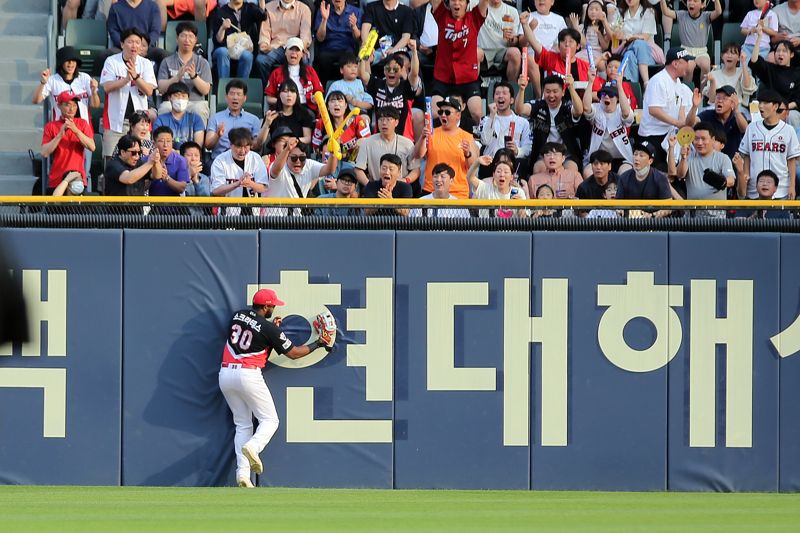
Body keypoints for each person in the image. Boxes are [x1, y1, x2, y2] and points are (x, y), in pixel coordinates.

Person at [219, 288, 332, 488]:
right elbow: (294, 353)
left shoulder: (238, 315)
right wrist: (319, 343)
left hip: (226, 374)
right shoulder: (270, 329)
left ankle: (242, 475)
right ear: (265, 306)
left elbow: (254, 337)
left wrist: (271, 330)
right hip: (248, 375)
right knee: (270, 420)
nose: (274, 307)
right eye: (272, 305)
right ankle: (253, 446)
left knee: (243, 424)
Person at [412, 0, 489, 126]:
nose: (457, 3)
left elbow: (485, 2)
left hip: (468, 77)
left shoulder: (474, 18)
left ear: (467, 3)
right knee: (434, 112)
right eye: (453, 0)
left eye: (461, 0)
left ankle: (477, 140)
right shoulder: (443, 15)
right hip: (443, 78)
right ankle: (438, 139)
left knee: (477, 113)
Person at [99, 28, 157, 160]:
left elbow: (149, 90)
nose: (134, 46)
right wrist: (125, 80)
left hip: (140, 124)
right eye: (130, 42)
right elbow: (107, 87)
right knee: (111, 160)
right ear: (122, 44)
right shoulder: (112, 61)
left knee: (142, 159)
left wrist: (136, 77)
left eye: (138, 42)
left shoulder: (145, 63)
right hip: (115, 122)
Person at [637, 47, 694, 172]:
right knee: (655, 173)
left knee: (669, 172)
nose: (688, 66)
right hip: (652, 135)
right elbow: (654, 110)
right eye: (686, 62)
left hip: (669, 134)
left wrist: (682, 125)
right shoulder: (658, 80)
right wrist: (677, 123)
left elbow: (681, 108)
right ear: (675, 63)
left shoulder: (678, 82)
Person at [737, 89, 800, 200]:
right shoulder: (751, 127)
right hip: (754, 188)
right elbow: (746, 154)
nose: (761, 106)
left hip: (781, 189)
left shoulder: (788, 130)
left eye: (765, 103)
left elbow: (791, 160)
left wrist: (792, 186)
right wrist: (746, 173)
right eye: (760, 102)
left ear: (775, 106)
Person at [515, 73, 584, 174]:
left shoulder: (567, 106)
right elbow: (519, 109)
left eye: (555, 91)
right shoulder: (538, 106)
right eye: (547, 91)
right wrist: (521, 89)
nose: (551, 95)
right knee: (539, 168)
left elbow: (579, 110)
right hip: (543, 154)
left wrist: (571, 88)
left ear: (563, 92)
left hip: (566, 154)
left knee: (571, 170)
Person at [416, 96, 479, 199]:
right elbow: (419, 155)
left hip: (458, 193)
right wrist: (423, 138)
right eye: (441, 112)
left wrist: (468, 153)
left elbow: (473, 167)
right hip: (431, 191)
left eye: (447, 112)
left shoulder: (466, 136)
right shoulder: (431, 133)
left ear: (458, 115)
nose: (443, 115)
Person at [673, 122, 735, 218]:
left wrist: (722, 182)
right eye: (696, 139)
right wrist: (683, 157)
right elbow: (680, 175)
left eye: (703, 139)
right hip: (693, 212)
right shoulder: (689, 156)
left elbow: (731, 180)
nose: (699, 143)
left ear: (713, 140)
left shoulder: (722, 158)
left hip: (715, 213)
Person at [40, 92, 96, 194]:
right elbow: (44, 152)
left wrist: (76, 131)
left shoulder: (82, 123)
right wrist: (60, 135)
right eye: (67, 105)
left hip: (77, 179)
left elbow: (92, 147)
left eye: (74, 105)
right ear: (59, 106)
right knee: (55, 208)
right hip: (56, 179)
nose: (71, 109)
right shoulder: (51, 126)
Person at [266, 137, 338, 215]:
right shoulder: (280, 166)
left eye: (302, 158)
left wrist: (333, 153)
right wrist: (287, 149)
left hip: (297, 221)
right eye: (294, 158)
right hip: (274, 219)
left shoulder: (309, 165)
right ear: (286, 157)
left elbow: (330, 169)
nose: (298, 161)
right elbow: (275, 170)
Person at [156, 22, 213, 122]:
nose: (187, 40)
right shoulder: (167, 61)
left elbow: (205, 90)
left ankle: (198, 138)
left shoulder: (202, 62)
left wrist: (194, 76)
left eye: (191, 36)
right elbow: (161, 88)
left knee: (199, 110)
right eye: (183, 36)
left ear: (195, 40)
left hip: (195, 102)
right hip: (172, 102)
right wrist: (177, 77)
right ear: (177, 39)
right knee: (165, 109)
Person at [582, 69, 634, 178]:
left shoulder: (621, 108)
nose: (606, 97)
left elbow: (626, 113)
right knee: (588, 173)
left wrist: (619, 86)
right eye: (603, 94)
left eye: (610, 95)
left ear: (617, 98)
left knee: (626, 174)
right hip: (599, 158)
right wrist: (590, 82)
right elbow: (586, 107)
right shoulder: (597, 108)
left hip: (621, 158)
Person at [360, 50, 421, 140]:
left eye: (395, 70)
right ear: (384, 70)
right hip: (380, 137)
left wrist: (414, 51)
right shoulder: (377, 84)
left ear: (401, 70)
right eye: (388, 69)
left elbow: (414, 73)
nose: (391, 72)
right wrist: (362, 58)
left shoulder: (406, 86)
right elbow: (362, 75)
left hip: (403, 138)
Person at [355, 106, 419, 188]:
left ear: (396, 122)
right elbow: (358, 169)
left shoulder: (407, 143)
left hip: (399, 187)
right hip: (376, 187)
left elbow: (415, 169)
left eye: (388, 119)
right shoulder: (368, 142)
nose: (384, 123)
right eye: (381, 120)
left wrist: (405, 181)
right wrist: (369, 186)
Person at [659, 0, 722, 84]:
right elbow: (666, 11)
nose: (691, 3)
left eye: (695, 1)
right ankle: (687, 92)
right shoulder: (681, 15)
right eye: (689, 0)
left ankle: (703, 94)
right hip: (686, 51)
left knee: (706, 65)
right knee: (688, 67)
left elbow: (718, 12)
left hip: (702, 51)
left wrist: (716, 1)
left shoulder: (706, 16)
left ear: (702, 4)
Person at [33, 46, 101, 123]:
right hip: (60, 127)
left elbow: (95, 105)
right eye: (67, 60)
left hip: (83, 127)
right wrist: (43, 82)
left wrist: (94, 91)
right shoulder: (53, 80)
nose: (71, 64)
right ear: (61, 63)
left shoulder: (84, 77)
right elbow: (36, 100)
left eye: (73, 61)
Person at [211, 127, 269, 216]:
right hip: (227, 215)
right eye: (238, 146)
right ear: (231, 144)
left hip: (253, 214)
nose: (242, 151)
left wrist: (250, 184)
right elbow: (216, 190)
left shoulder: (255, 158)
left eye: (246, 146)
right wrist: (238, 183)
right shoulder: (220, 161)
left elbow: (263, 188)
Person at [750, 27, 800, 129]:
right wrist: (759, 37)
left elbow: (798, 100)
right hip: (770, 109)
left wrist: (783, 109)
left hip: (789, 110)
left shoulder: (797, 73)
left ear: (792, 54)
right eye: (777, 51)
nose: (780, 53)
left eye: (784, 51)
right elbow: (755, 61)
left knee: (793, 116)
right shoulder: (770, 69)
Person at [255, 0, 313, 85]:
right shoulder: (269, 7)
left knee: (304, 60)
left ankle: (301, 90)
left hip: (294, 46)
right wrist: (265, 44)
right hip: (275, 47)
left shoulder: (304, 9)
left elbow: (305, 34)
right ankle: (268, 89)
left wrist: (301, 48)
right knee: (261, 60)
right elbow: (265, 32)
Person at [264, 38, 325, 116]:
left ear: (302, 54)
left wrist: (315, 98)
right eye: (291, 49)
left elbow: (319, 92)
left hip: (306, 108)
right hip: (283, 108)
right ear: (285, 52)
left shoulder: (310, 71)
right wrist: (283, 100)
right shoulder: (276, 73)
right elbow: (269, 98)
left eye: (297, 50)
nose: (294, 53)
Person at [686, 85, 748, 161]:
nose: (720, 101)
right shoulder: (708, 115)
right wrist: (694, 107)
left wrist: (737, 110)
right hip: (710, 162)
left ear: (732, 103)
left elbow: (745, 130)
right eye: (718, 98)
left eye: (724, 98)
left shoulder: (738, 117)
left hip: (733, 162)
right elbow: (689, 123)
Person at [206, 79, 263, 159]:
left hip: (244, 160)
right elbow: (208, 145)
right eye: (232, 94)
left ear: (244, 98)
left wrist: (266, 125)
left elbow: (257, 147)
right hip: (220, 160)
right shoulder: (215, 118)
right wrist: (217, 135)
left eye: (239, 94)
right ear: (226, 97)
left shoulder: (254, 120)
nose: (235, 97)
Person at [210, 0, 265, 79]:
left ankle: (241, 87)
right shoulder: (220, 12)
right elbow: (218, 41)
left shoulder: (250, 8)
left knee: (247, 55)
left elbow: (263, 16)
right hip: (225, 49)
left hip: (244, 49)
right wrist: (223, 28)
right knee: (222, 52)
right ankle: (224, 86)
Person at [616, 139, 672, 217]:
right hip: (629, 222)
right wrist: (626, 212)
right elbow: (618, 204)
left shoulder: (660, 178)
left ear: (650, 161)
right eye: (635, 154)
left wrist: (652, 215)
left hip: (655, 223)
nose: (637, 158)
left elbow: (668, 207)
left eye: (641, 155)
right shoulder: (624, 177)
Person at [478, 81, 532, 163]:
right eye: (497, 93)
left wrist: (517, 150)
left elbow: (528, 148)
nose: (500, 96)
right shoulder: (486, 120)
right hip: (490, 162)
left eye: (504, 93)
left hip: (512, 161)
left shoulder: (523, 122)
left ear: (511, 100)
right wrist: (492, 116)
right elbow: (485, 141)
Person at [313, 0, 363, 86]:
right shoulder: (323, 10)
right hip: (328, 48)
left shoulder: (356, 11)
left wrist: (354, 27)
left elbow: (358, 38)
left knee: (349, 59)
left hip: (347, 49)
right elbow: (320, 38)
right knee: (322, 59)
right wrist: (324, 20)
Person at [106, 0, 168, 68]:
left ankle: (161, 78)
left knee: (163, 55)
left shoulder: (153, 7)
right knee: (106, 55)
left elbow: (155, 31)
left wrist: (143, 46)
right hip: (122, 48)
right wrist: (126, 45)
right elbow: (113, 30)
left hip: (145, 48)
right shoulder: (116, 7)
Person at [472, 0, 523, 84]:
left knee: (515, 53)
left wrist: (512, 39)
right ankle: (472, 88)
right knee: (475, 53)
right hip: (482, 49)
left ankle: (511, 88)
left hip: (503, 51)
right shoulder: (477, 4)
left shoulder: (512, 11)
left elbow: (515, 40)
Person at [614, 0, 663, 85]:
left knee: (634, 49)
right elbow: (616, 32)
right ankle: (642, 85)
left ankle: (640, 86)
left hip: (647, 53)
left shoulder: (648, 12)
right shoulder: (620, 12)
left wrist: (629, 37)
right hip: (627, 47)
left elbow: (645, 37)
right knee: (631, 51)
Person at [260, 79, 315, 146]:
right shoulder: (272, 114)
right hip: (277, 152)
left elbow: (307, 138)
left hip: (297, 150)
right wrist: (267, 123)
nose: (289, 94)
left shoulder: (304, 114)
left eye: (292, 91)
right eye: (285, 91)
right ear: (279, 95)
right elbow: (260, 142)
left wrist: (291, 141)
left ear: (297, 95)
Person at [153, 82, 206, 149]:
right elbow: (158, 143)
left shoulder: (196, 119)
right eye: (177, 96)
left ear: (188, 99)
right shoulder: (160, 120)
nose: (180, 99)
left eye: (183, 96)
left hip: (189, 157)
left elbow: (198, 146)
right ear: (169, 98)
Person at [702, 43, 756, 107]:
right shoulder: (714, 74)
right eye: (726, 53)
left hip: (736, 109)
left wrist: (743, 62)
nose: (729, 56)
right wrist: (712, 81)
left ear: (738, 57)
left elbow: (747, 87)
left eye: (733, 53)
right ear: (722, 56)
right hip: (718, 109)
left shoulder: (742, 72)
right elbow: (712, 100)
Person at [361, 0, 414, 65]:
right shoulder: (371, 7)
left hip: (399, 50)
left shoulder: (406, 10)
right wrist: (367, 46)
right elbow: (365, 28)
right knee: (366, 56)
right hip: (377, 50)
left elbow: (406, 37)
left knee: (405, 59)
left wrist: (393, 50)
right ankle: (368, 75)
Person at [148, 126, 190, 196]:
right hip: (151, 205)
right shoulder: (146, 160)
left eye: (168, 141)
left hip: (173, 206)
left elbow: (182, 188)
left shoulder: (180, 161)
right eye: (161, 141)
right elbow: (140, 187)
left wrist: (166, 178)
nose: (165, 145)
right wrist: (152, 176)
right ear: (154, 143)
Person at [576, 149, 617, 216]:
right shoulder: (584, 187)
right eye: (595, 164)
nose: (598, 167)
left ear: (609, 166)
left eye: (602, 164)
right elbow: (580, 212)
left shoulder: (619, 181)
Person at [181, 141, 211, 215]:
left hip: (201, 220)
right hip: (181, 218)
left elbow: (207, 202)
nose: (193, 159)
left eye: (196, 155)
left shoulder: (204, 178)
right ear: (182, 157)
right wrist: (188, 176)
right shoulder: (177, 176)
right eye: (189, 155)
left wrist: (196, 181)